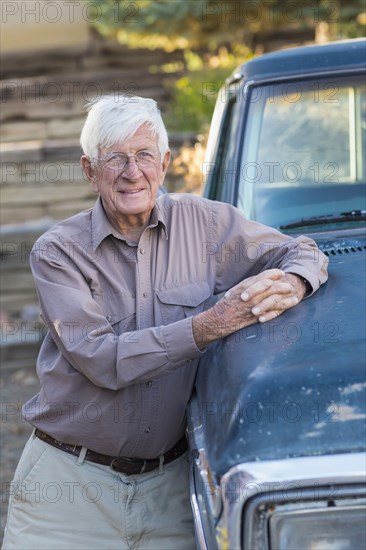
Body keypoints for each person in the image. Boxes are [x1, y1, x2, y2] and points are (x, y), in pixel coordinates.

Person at [2, 95, 328, 550]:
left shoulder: (205, 224)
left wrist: (295, 282)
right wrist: (209, 325)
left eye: (143, 155)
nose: (131, 171)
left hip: (171, 486)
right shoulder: (59, 252)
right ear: (89, 170)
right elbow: (102, 359)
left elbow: (302, 250)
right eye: (114, 157)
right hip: (69, 487)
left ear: (165, 162)